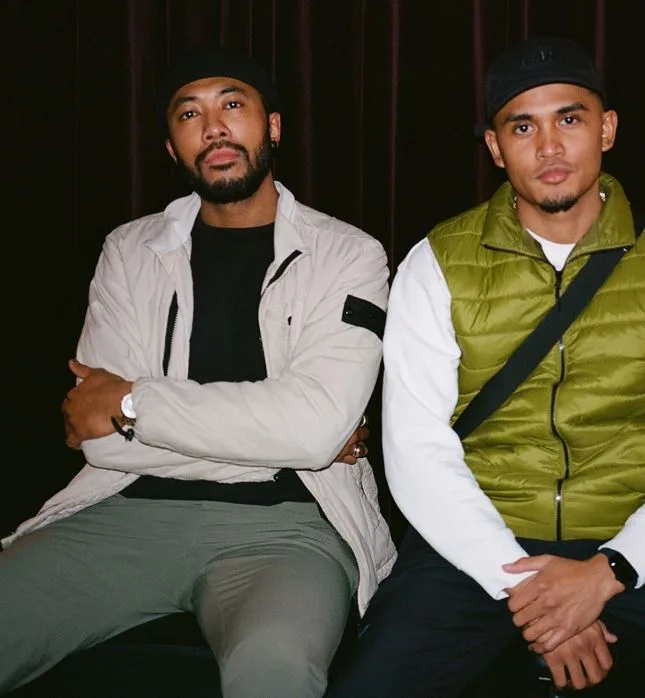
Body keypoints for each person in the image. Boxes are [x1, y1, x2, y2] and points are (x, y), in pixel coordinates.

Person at [328, 37, 645, 697]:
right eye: (522, 127)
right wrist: (532, 592)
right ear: (494, 147)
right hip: (479, 539)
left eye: (569, 118)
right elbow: (416, 447)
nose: (549, 146)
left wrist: (609, 572)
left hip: (637, 536)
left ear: (607, 129)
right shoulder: (437, 261)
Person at [0, 45, 396, 697]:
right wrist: (279, 433)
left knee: (276, 671)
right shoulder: (130, 250)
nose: (213, 127)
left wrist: (132, 405)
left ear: (273, 127)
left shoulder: (348, 254)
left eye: (232, 105)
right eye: (189, 114)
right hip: (121, 510)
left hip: (287, 526)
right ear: (171, 147)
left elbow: (312, 431)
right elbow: (101, 444)